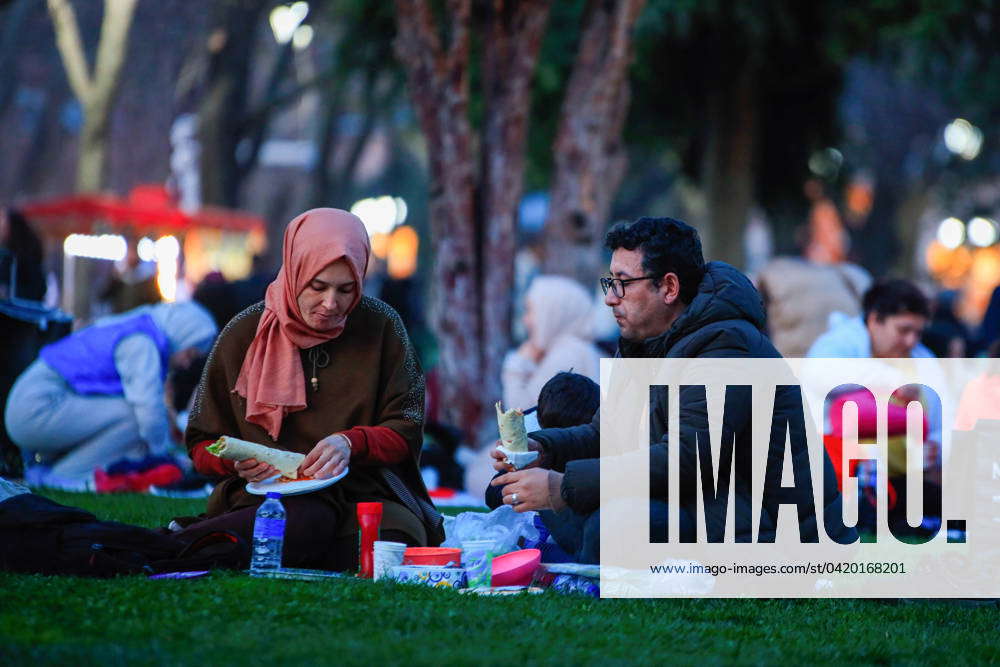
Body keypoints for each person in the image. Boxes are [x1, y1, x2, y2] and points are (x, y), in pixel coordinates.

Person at [490, 216, 852, 563]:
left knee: (610, 524)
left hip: (772, 534)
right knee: (532, 496)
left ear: (668, 287)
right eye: (609, 283)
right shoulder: (644, 341)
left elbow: (688, 458)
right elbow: (605, 435)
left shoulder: (727, 345)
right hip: (701, 507)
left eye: (623, 283)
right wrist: (543, 450)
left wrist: (562, 486)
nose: (611, 298)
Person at [178, 208, 443, 570]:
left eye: (346, 290)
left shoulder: (383, 326)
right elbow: (199, 443)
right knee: (302, 522)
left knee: (391, 545)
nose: (331, 304)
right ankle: (174, 546)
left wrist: (352, 443)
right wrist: (234, 461)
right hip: (265, 497)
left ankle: (215, 540)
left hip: (361, 495)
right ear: (295, 271)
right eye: (317, 287)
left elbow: (407, 427)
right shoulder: (243, 332)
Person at [4, 301, 218, 489]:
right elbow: (148, 411)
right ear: (182, 334)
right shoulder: (142, 344)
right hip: (37, 407)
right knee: (135, 417)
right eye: (190, 353)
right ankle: (64, 477)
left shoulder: (136, 328)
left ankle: (50, 470)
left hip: (32, 404)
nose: (186, 363)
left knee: (134, 419)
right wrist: (164, 455)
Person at [501, 275, 601, 411]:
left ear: (553, 314)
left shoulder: (566, 355)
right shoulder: (579, 350)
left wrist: (516, 366)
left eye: (531, 310)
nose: (526, 320)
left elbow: (521, 416)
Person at [0, 207, 46, 302]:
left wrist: (6, 291)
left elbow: (37, 289)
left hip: (19, 312)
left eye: (4, 226)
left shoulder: (25, 256)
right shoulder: (7, 254)